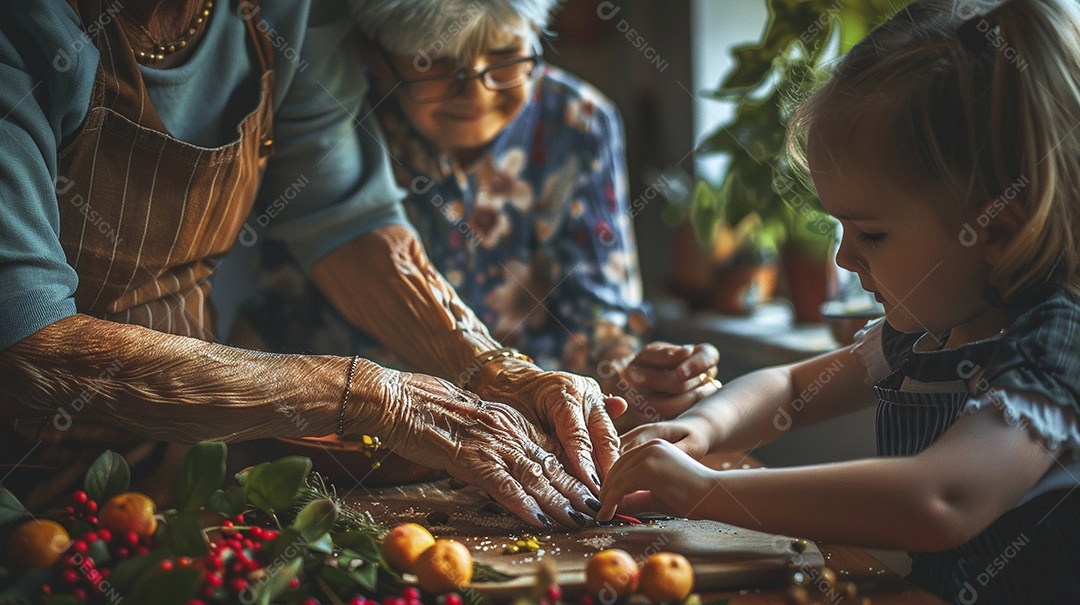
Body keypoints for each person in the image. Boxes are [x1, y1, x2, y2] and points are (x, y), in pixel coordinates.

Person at [0, 0, 623, 529]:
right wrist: (375, 397)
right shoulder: (25, 26)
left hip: (185, 465)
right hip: (21, 478)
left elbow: (349, 221)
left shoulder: (287, 10)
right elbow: (26, 342)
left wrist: (492, 368)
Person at [598, 0, 1080, 601]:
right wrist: (700, 429)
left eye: (872, 234)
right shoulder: (924, 330)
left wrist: (705, 492)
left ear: (997, 229)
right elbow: (793, 390)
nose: (844, 260)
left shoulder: (1058, 346)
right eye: (841, 230)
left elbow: (940, 500)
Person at [229, 0, 721, 432]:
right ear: (378, 60)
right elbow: (281, 314)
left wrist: (626, 372)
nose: (476, 93)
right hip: (355, 436)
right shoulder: (331, 118)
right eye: (439, 65)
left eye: (507, 58)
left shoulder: (580, 120)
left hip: (532, 434)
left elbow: (595, 317)